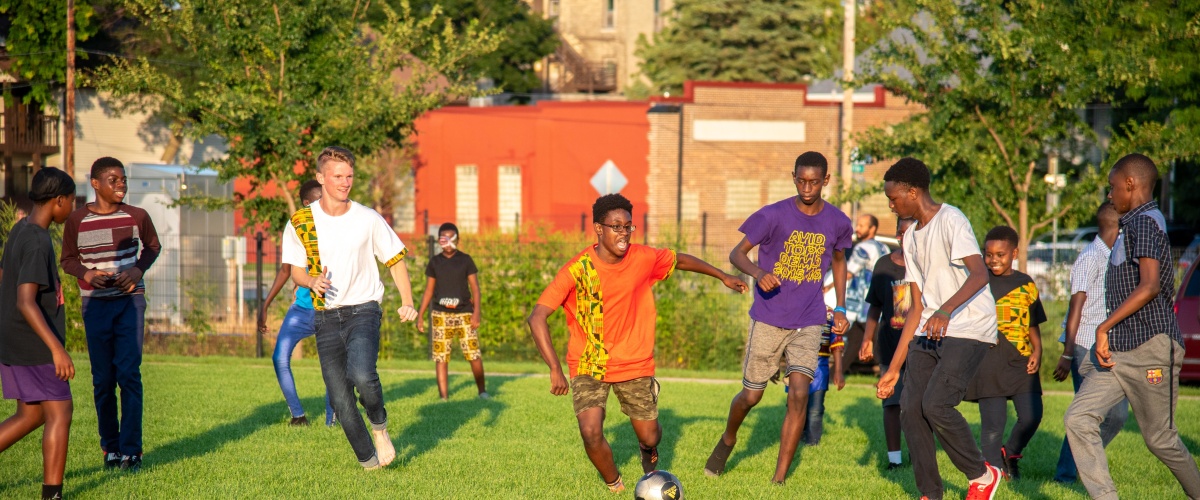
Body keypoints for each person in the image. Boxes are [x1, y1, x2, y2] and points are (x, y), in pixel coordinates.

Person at [527, 193, 747, 493]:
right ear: (598, 228)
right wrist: (554, 367)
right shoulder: (577, 270)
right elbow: (537, 317)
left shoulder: (642, 258)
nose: (623, 233)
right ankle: (615, 485)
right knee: (590, 432)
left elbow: (678, 259)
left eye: (628, 226)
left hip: (635, 362)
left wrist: (722, 275)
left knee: (650, 436)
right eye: (616, 226)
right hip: (589, 362)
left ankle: (647, 451)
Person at [705, 151, 853, 484]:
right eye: (801, 180)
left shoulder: (838, 221)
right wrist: (759, 272)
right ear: (794, 177)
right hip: (770, 316)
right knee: (751, 396)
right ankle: (729, 438)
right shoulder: (773, 215)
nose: (807, 187)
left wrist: (840, 307)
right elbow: (736, 253)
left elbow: (840, 260)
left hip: (810, 318)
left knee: (800, 393)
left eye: (814, 181)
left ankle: (779, 480)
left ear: (826, 181)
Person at [1064, 153, 1200, 499]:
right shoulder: (1130, 226)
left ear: (1130, 184)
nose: (1109, 195)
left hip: (1151, 346)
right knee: (1079, 419)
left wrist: (1102, 327)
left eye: (1112, 188)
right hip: (1120, 351)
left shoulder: (1145, 223)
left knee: (1160, 439)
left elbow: (1150, 285)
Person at [281, 146, 419, 470]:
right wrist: (311, 280)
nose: (345, 182)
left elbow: (396, 261)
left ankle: (380, 426)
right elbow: (295, 270)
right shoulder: (301, 221)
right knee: (341, 403)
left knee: (362, 373)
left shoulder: (368, 218)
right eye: (338, 176)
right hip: (325, 317)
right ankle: (370, 465)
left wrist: (408, 301)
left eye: (349, 176)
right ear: (321, 177)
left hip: (364, 309)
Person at [875, 157, 1001, 500]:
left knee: (936, 405)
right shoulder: (911, 237)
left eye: (893, 198)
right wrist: (894, 369)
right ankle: (930, 492)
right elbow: (916, 307)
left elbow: (980, 274)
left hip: (968, 325)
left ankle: (982, 475)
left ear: (912, 192)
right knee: (910, 409)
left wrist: (945, 310)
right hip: (929, 328)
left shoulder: (951, 219)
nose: (891, 205)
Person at [60, 157, 161, 472]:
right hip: (95, 305)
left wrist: (136, 268)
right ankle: (111, 448)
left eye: (124, 180)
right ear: (95, 183)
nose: (121, 185)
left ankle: (132, 451)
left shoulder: (137, 216)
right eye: (114, 180)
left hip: (130, 303)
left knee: (129, 375)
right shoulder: (76, 220)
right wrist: (88, 275)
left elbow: (153, 247)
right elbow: (67, 260)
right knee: (103, 380)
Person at [0, 167, 77, 500]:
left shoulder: (21, 229)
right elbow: (26, 301)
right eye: (71, 201)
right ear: (59, 200)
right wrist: (57, 350)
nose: (72, 207)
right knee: (60, 411)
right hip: (33, 343)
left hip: (13, 339)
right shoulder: (38, 241)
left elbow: (5, 275)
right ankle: (52, 495)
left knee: (31, 413)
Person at [1051, 202, 1129, 483]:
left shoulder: (1115, 256)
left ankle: (1082, 463)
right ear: (1118, 226)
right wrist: (1067, 353)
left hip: (1105, 345)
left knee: (1117, 414)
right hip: (1084, 346)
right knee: (1088, 414)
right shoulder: (1090, 257)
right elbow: (1076, 309)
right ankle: (1067, 475)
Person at [964, 225, 1046, 481]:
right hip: (986, 364)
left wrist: (1038, 350)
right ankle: (994, 477)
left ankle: (1010, 453)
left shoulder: (1026, 284)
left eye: (1000, 254)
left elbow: (1032, 322)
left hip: (1020, 360)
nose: (993, 260)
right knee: (992, 429)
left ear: (1014, 253)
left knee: (1032, 416)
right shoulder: (977, 281)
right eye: (988, 254)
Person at [258, 180, 333, 426]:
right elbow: (285, 270)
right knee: (280, 357)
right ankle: (298, 416)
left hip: (331, 309)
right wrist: (265, 305)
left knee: (332, 366)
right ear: (306, 203)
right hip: (302, 309)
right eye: (318, 198)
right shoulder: (299, 226)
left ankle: (333, 420)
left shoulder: (337, 225)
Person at [859, 217, 916, 470]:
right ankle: (895, 459)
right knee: (891, 402)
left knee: (918, 404)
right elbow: (875, 305)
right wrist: (867, 339)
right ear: (896, 235)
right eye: (901, 233)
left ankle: (920, 455)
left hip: (921, 345)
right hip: (890, 343)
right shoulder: (884, 264)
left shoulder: (927, 263)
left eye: (911, 232)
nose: (905, 237)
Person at [417, 222, 487, 400]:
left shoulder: (466, 260)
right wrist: (420, 315)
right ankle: (444, 397)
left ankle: (482, 392)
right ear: (439, 241)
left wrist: (476, 312)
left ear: (458, 240)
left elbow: (476, 289)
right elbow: (428, 290)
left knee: (473, 355)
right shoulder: (435, 262)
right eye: (444, 238)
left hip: (464, 314)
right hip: (440, 315)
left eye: (452, 238)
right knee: (441, 358)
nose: (447, 242)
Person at [838, 213, 890, 374]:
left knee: (875, 340)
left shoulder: (862, 248)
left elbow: (848, 272)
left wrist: (827, 285)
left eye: (861, 226)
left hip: (864, 303)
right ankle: (836, 375)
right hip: (879, 298)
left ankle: (888, 373)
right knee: (856, 339)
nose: (857, 229)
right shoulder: (884, 248)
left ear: (872, 228)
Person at [797, 306, 845, 446]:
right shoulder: (796, 308)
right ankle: (795, 438)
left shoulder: (830, 315)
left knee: (815, 409)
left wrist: (838, 371)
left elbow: (836, 343)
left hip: (820, 366)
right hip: (797, 363)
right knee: (795, 405)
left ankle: (812, 442)